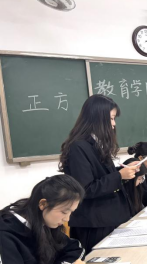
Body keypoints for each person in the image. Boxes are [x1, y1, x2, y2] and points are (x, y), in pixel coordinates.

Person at [59, 95, 139, 254]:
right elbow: (85, 189)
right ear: (98, 118)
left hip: (108, 219)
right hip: (94, 224)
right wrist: (119, 176)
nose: (114, 124)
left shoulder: (97, 144)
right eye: (111, 118)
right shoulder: (78, 147)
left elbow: (101, 177)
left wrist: (123, 172)